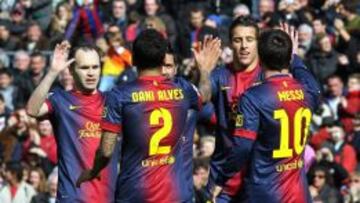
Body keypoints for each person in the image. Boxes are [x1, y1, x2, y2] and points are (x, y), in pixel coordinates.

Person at [76, 29, 205, 202]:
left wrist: (93, 171)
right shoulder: (182, 89)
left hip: (135, 193)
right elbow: (205, 94)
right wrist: (205, 70)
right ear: (162, 59)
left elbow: (106, 151)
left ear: (134, 59)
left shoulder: (120, 95)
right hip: (175, 193)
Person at [210, 25, 321, 202]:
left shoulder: (254, 97)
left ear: (260, 59)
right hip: (299, 193)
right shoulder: (307, 92)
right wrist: (295, 58)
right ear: (288, 58)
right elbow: (312, 83)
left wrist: (221, 178)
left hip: (266, 191)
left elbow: (243, 147)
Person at [26, 41, 118, 203]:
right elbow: (32, 110)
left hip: (108, 196)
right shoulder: (60, 99)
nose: (91, 73)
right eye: (84, 68)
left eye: (95, 67)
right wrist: (53, 72)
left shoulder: (112, 101)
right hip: (73, 195)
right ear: (71, 70)